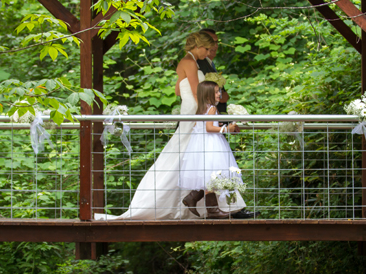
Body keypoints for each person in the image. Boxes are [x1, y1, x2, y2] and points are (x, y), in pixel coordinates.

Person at [95, 31, 246, 220]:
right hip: (194, 114)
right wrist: (215, 93)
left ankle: (203, 202)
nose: (208, 52)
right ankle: (192, 203)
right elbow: (196, 91)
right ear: (197, 46)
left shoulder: (184, 62)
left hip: (191, 110)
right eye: (206, 48)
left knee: (194, 158)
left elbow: (178, 89)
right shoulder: (190, 62)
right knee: (191, 156)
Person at [194, 28, 259, 219]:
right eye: (211, 43)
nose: (215, 46)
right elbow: (220, 102)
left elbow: (223, 97)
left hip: (213, 133)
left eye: (216, 42)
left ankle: (229, 208)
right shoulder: (199, 66)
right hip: (213, 136)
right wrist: (225, 126)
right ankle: (231, 209)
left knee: (219, 174)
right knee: (221, 172)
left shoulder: (210, 66)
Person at [179, 81, 241, 219]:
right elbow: (209, 128)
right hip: (211, 143)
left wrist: (223, 125)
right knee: (213, 178)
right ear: (208, 96)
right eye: (217, 92)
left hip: (201, 143)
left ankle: (192, 198)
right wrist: (226, 129)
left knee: (210, 177)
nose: (220, 94)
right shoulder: (212, 108)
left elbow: (203, 125)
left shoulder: (201, 108)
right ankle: (212, 211)